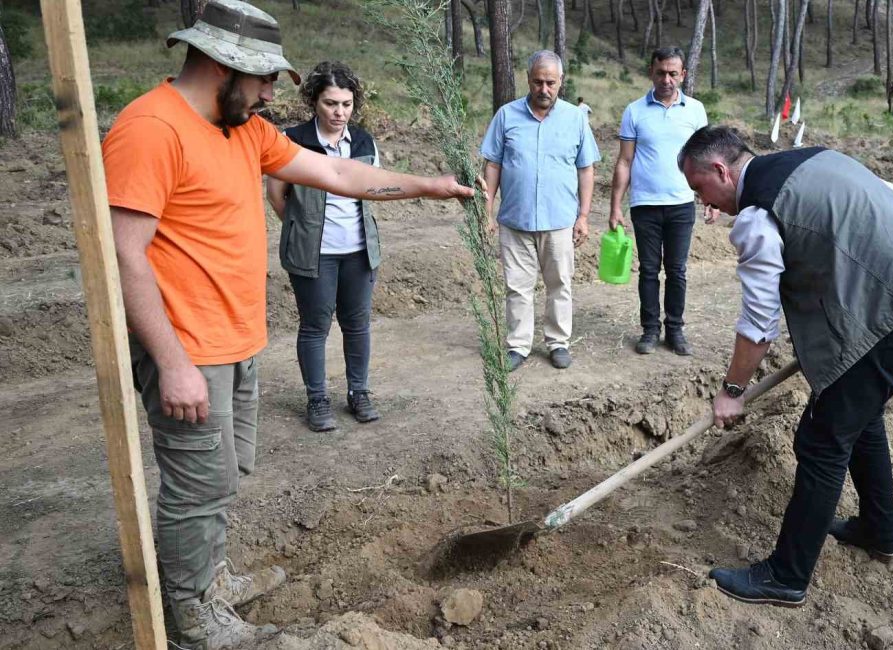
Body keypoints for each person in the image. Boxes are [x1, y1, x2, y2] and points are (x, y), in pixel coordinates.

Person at [101, 2, 474, 647]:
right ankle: (191, 617)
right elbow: (123, 253)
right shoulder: (150, 128)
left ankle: (208, 577)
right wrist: (173, 363)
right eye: (266, 78)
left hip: (234, 340)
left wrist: (428, 185)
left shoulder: (242, 128)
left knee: (222, 476)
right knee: (196, 485)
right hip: (188, 348)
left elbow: (333, 171)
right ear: (221, 65)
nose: (275, 92)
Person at [678, 126, 893, 607]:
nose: (704, 204)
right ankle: (878, 528)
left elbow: (759, 325)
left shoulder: (758, 217)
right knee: (858, 414)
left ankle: (785, 577)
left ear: (722, 171)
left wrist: (732, 389)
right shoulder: (814, 160)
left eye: (700, 188)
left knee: (822, 438)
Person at [266, 62, 385, 433]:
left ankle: (358, 393)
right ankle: (317, 399)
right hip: (313, 254)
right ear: (314, 101)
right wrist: (303, 228)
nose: (340, 112)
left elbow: (374, 188)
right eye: (331, 103)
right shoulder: (293, 140)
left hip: (359, 252)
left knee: (357, 324)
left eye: (347, 104)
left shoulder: (364, 142)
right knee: (315, 326)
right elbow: (277, 195)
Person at [480, 51, 600, 372]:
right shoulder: (506, 116)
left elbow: (586, 169)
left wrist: (583, 216)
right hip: (515, 220)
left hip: (560, 220)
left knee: (559, 283)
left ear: (561, 82)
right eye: (537, 82)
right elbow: (492, 164)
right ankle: (518, 345)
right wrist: (487, 211)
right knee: (517, 286)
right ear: (528, 80)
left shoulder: (575, 119)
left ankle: (558, 342)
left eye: (550, 82)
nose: (543, 89)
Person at [608, 47, 709, 356]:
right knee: (649, 270)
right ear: (651, 72)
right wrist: (615, 207)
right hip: (645, 205)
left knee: (677, 270)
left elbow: (703, 159)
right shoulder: (634, 111)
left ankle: (675, 330)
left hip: (681, 204)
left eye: (673, 73)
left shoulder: (695, 110)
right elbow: (624, 162)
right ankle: (650, 330)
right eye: (661, 72)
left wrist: (709, 198)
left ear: (683, 75)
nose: (667, 79)